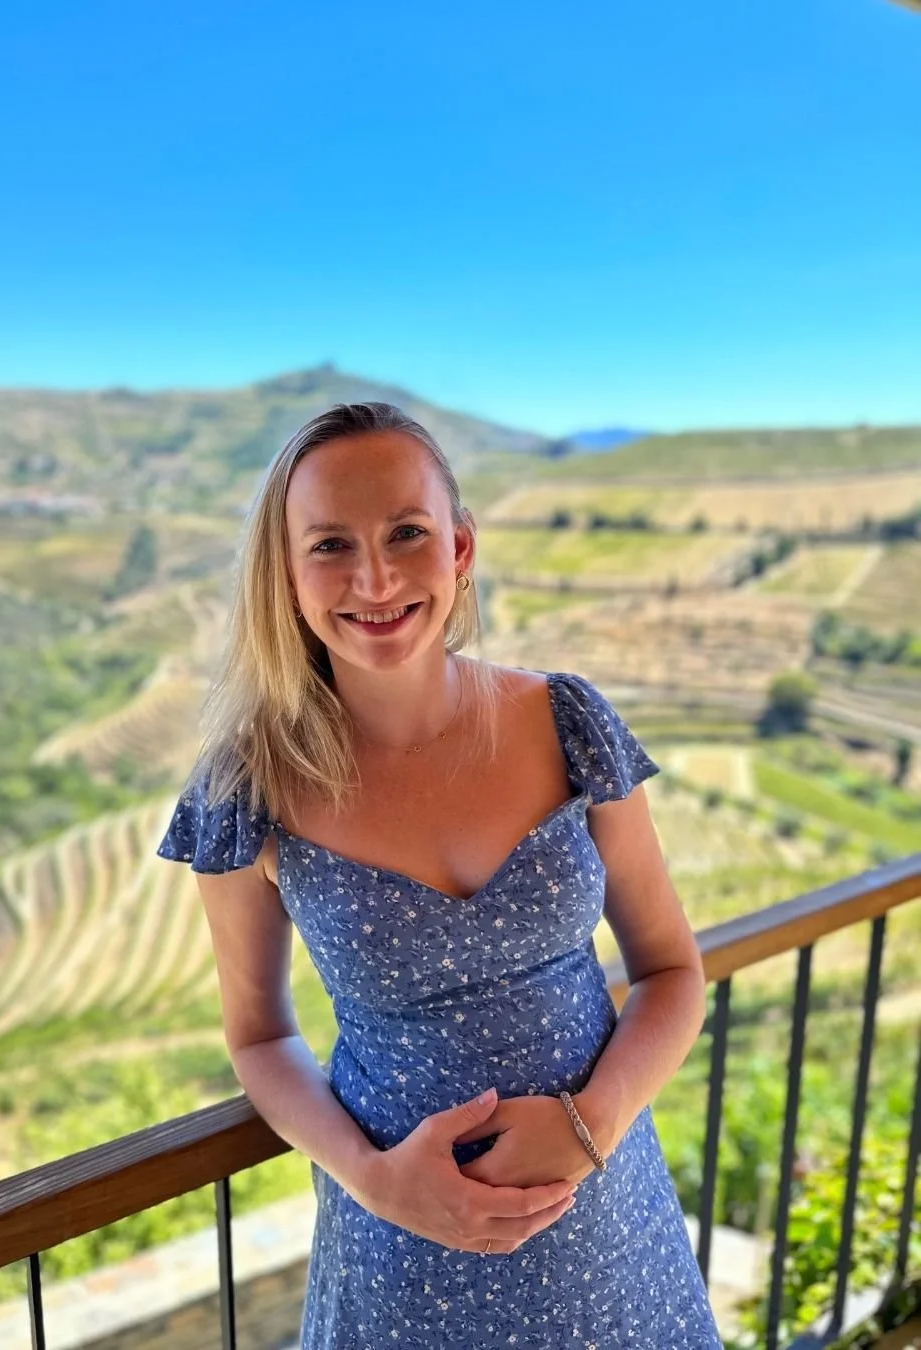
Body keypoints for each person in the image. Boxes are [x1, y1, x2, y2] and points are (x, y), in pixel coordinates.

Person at [157, 401, 723, 1348]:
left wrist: (591, 1126)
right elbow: (259, 1037)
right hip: (405, 1258)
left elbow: (672, 971)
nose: (373, 578)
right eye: (330, 544)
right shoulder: (246, 786)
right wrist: (376, 1181)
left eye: (406, 533)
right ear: (286, 573)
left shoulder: (566, 724)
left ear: (459, 549)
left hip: (609, 1227)